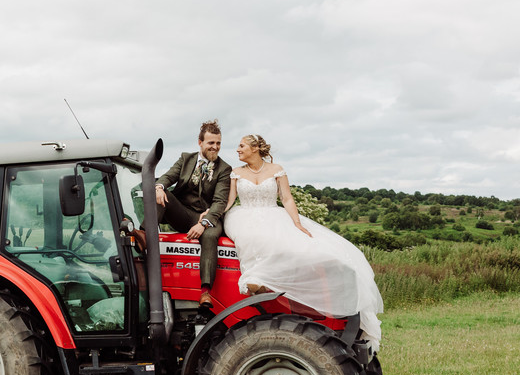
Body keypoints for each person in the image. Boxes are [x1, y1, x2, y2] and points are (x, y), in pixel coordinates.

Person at [223, 134, 382, 346]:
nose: (237, 150)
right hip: (245, 215)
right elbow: (230, 200)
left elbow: (287, 198)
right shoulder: (236, 172)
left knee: (298, 244)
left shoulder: (276, 169)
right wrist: (212, 216)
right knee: (252, 236)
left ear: (255, 148)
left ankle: (291, 288)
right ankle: (257, 280)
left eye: (241, 146)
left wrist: (297, 224)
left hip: (272, 213)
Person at [156, 119, 233, 310]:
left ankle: (205, 291)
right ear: (200, 143)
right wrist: (159, 186)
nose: (215, 147)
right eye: (211, 143)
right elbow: (168, 176)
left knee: (209, 236)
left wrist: (204, 223)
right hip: (184, 214)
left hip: (208, 217)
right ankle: (143, 234)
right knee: (161, 192)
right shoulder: (186, 159)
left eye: (218, 143)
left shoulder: (224, 169)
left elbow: (220, 201)